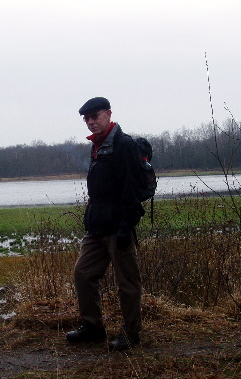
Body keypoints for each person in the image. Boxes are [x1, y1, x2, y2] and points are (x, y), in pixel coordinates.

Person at [65, 97, 144, 351]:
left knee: (127, 283)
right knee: (83, 273)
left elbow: (132, 190)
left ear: (108, 114)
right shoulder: (98, 145)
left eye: (95, 117)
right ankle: (93, 328)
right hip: (97, 226)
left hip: (118, 227)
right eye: (86, 119)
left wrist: (125, 227)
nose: (90, 122)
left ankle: (131, 334)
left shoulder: (124, 144)